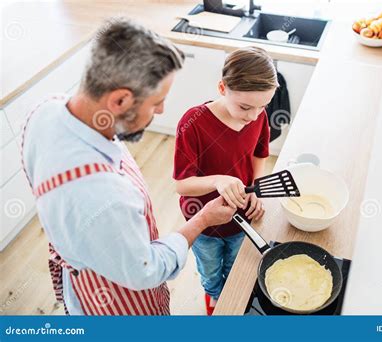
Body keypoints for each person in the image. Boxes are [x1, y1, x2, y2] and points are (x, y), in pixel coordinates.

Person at [21, 18, 236, 315]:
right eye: (156, 102)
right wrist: (202, 219)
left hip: (83, 275)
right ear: (120, 99)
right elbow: (146, 269)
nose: (161, 110)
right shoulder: (104, 196)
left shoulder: (47, 109)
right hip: (114, 301)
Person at [173, 47, 278, 315]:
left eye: (262, 106)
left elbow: (259, 154)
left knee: (236, 268)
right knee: (211, 272)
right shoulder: (193, 123)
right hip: (204, 224)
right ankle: (217, 303)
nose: (253, 116)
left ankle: (230, 301)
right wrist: (218, 180)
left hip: (241, 215)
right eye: (245, 107)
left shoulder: (258, 116)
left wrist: (258, 190)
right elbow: (182, 185)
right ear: (222, 88)